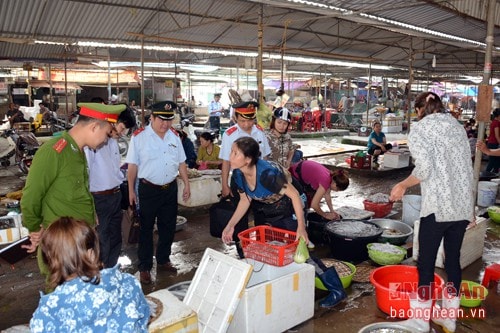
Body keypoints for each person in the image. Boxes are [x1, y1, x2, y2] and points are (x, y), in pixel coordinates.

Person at [221, 137, 345, 308]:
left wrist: (301, 228)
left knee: (299, 250)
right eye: (231, 151)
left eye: (235, 153)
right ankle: (291, 284)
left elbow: (294, 196)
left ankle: (336, 289)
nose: (230, 156)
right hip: (272, 208)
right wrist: (230, 225)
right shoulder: (237, 174)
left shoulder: (267, 175)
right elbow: (245, 201)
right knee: (276, 245)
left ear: (248, 159)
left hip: (292, 205)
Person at [388, 92, 474, 333]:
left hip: (437, 208)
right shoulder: (457, 126)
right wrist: (471, 207)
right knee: (453, 261)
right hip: (461, 206)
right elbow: (467, 167)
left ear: (419, 110)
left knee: (425, 265)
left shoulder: (420, 129)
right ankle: (449, 319)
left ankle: (420, 321)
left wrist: (403, 185)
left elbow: (424, 169)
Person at [21, 103, 125, 279]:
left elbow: (79, 192)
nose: (106, 140)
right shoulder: (54, 152)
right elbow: (31, 197)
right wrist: (34, 228)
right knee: (60, 298)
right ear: (94, 127)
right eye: (107, 134)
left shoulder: (77, 151)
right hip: (63, 246)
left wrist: (92, 215)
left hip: (80, 243)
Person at [30, 217, 149, 332]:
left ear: (49, 262)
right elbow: (143, 320)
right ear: (92, 254)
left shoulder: (47, 312)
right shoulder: (128, 284)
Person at [125, 104, 190, 285]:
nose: (165, 124)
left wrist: (186, 184)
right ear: (152, 118)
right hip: (148, 189)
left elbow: (181, 162)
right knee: (145, 229)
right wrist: (131, 190)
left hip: (170, 189)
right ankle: (145, 266)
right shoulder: (139, 137)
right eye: (161, 119)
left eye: (169, 119)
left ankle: (163, 259)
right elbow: (132, 166)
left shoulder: (175, 137)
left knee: (167, 227)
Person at [84, 106, 136, 268]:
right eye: (121, 128)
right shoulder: (92, 144)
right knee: (102, 241)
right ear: (112, 122)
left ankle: (111, 272)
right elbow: (85, 176)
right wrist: (90, 207)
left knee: (116, 239)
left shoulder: (113, 142)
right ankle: (100, 276)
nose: (122, 133)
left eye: (125, 130)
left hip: (115, 196)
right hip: (99, 199)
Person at [219, 100, 271, 198]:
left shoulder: (260, 132)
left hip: (259, 177)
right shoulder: (229, 135)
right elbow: (226, 161)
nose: (246, 124)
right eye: (242, 121)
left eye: (250, 120)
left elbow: (265, 157)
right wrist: (225, 185)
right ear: (235, 118)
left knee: (260, 210)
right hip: (239, 178)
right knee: (240, 207)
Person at [484, 108, 500, 174]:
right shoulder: (497, 123)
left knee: (496, 161)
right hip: (494, 144)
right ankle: (485, 175)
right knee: (493, 161)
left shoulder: (494, 122)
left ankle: (493, 174)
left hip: (491, 143)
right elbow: (497, 136)